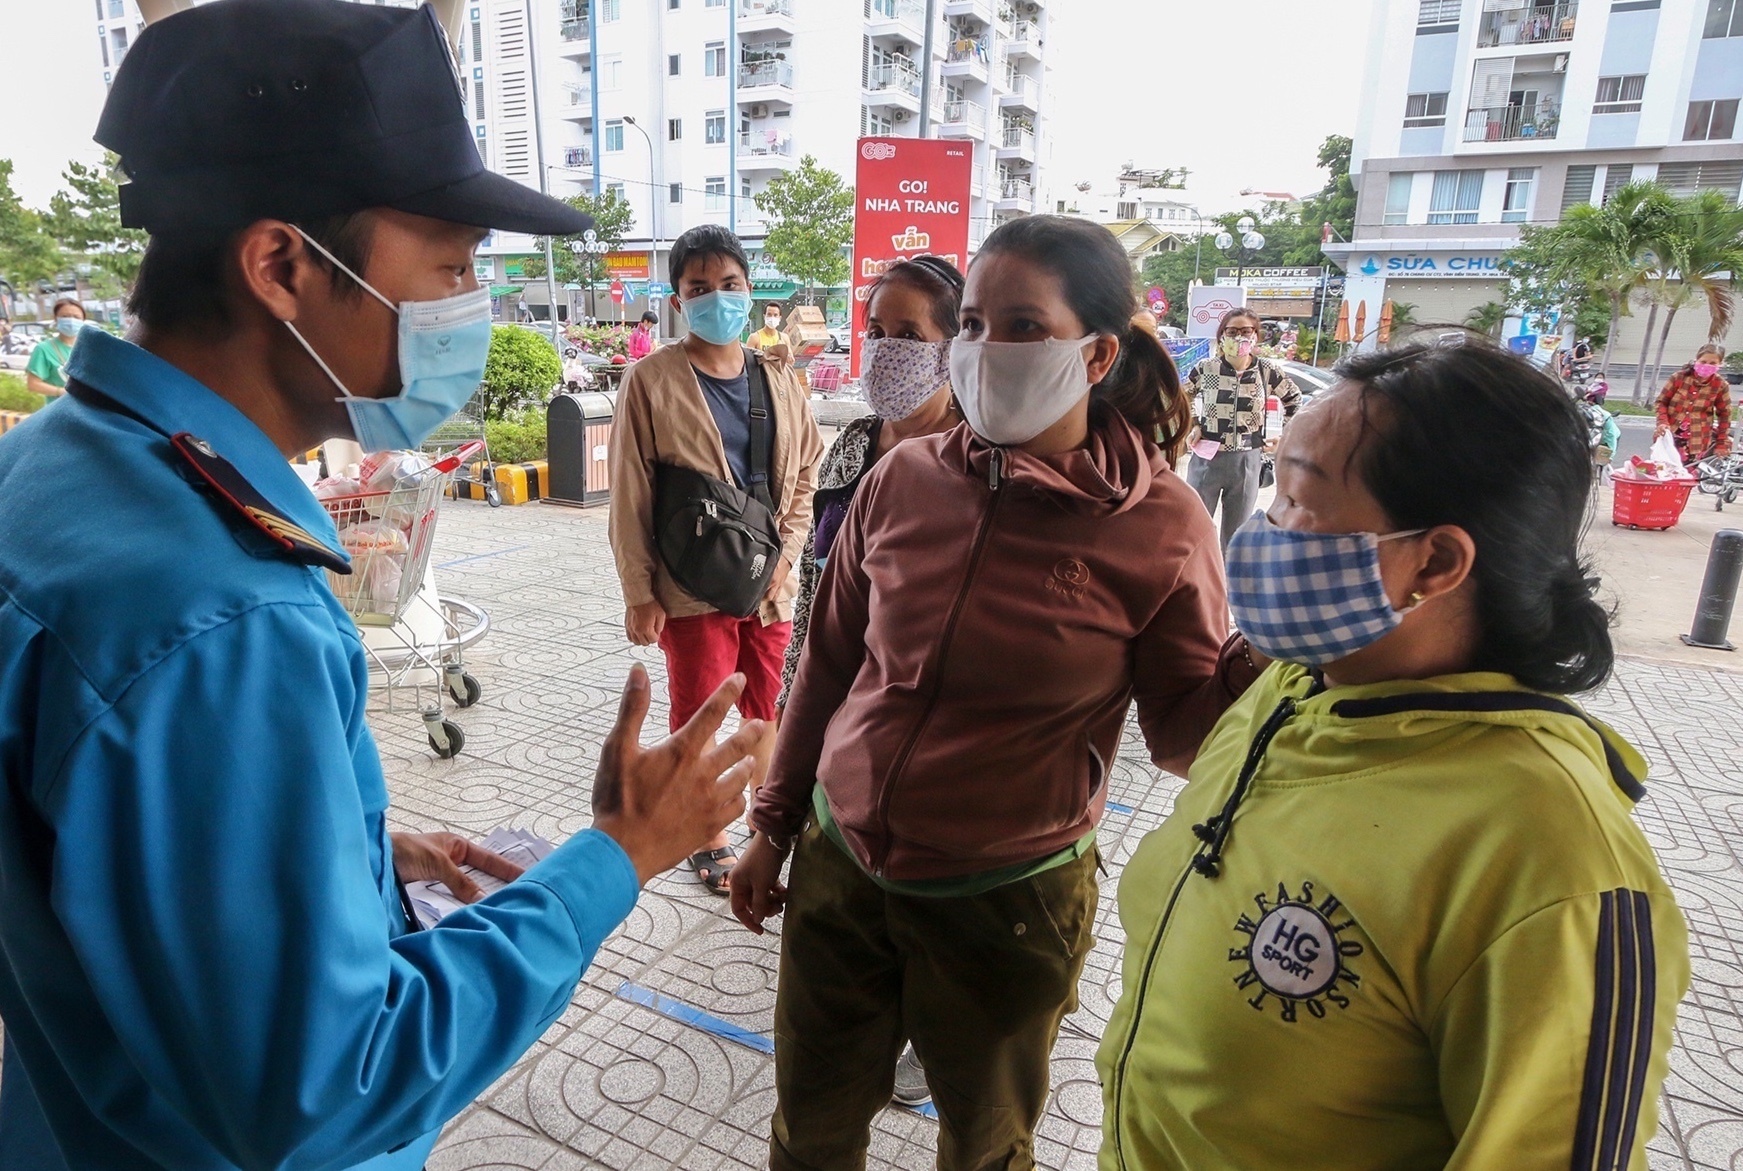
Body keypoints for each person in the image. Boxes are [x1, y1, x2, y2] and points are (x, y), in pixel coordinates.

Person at [0, 4, 771, 1169]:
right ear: (283, 266)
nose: (473, 306)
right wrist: (618, 853)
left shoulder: (48, 468)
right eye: (452, 266)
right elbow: (331, 1084)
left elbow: (101, 849)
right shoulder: (224, 612)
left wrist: (345, 854)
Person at [732, 215, 1264, 1171]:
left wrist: (1262, 665)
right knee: (807, 1130)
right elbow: (829, 663)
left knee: (982, 1147)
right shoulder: (901, 479)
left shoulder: (1162, 525)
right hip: (841, 866)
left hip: (1004, 899)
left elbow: (1187, 738)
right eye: (971, 323)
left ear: (1096, 354)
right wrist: (773, 825)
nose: (981, 350)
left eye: (1021, 327)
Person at [1097, 341, 1689, 1171]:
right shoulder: (1291, 692)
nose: (1266, 528)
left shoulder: (1549, 860)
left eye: (1298, 500)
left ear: (1434, 562)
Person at [773, 253, 966, 1111]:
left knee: (935, 902)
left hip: (934, 730)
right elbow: (817, 586)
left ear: (957, 344)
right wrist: (793, 704)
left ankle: (932, 1036)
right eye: (877, 332)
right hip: (838, 708)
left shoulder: (984, 458)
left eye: (909, 336)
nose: (887, 351)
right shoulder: (853, 445)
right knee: (851, 901)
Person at [610, 223, 822, 894]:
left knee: (767, 708)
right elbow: (631, 492)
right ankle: (705, 833)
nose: (716, 299)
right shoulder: (650, 378)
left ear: (749, 292)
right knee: (699, 708)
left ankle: (767, 823)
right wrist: (639, 591)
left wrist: (787, 557)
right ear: (677, 298)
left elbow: (806, 475)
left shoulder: (780, 379)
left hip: (769, 584)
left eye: (728, 285)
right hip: (691, 584)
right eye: (699, 288)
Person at [1185, 306, 1302, 551]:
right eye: (1232, 331)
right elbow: (1181, 397)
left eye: (1246, 331)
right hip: (1208, 456)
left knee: (1235, 535)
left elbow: (1294, 399)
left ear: (1255, 336)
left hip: (1247, 461)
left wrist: (1282, 434)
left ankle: (1227, 586)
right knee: (1194, 527)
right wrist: (1193, 425)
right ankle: (1196, 582)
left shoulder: (1267, 371)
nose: (1239, 337)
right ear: (1221, 336)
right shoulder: (1206, 368)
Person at [1655, 344, 1732, 463]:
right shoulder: (1679, 378)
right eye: (1703, 361)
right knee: (1662, 472)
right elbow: (1662, 402)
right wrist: (1662, 422)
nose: (1707, 366)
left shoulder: (1720, 385)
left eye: (1712, 363)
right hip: (1669, 436)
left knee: (1688, 477)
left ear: (1719, 364)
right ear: (1696, 360)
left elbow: (1725, 415)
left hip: (1697, 441)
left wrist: (1722, 443)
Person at [23, 298, 86, 397]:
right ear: (56, 319)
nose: (71, 321)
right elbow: (33, 384)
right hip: (59, 410)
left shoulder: (89, 349)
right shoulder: (44, 349)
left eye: (76, 317)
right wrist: (64, 392)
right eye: (65, 316)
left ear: (83, 321)